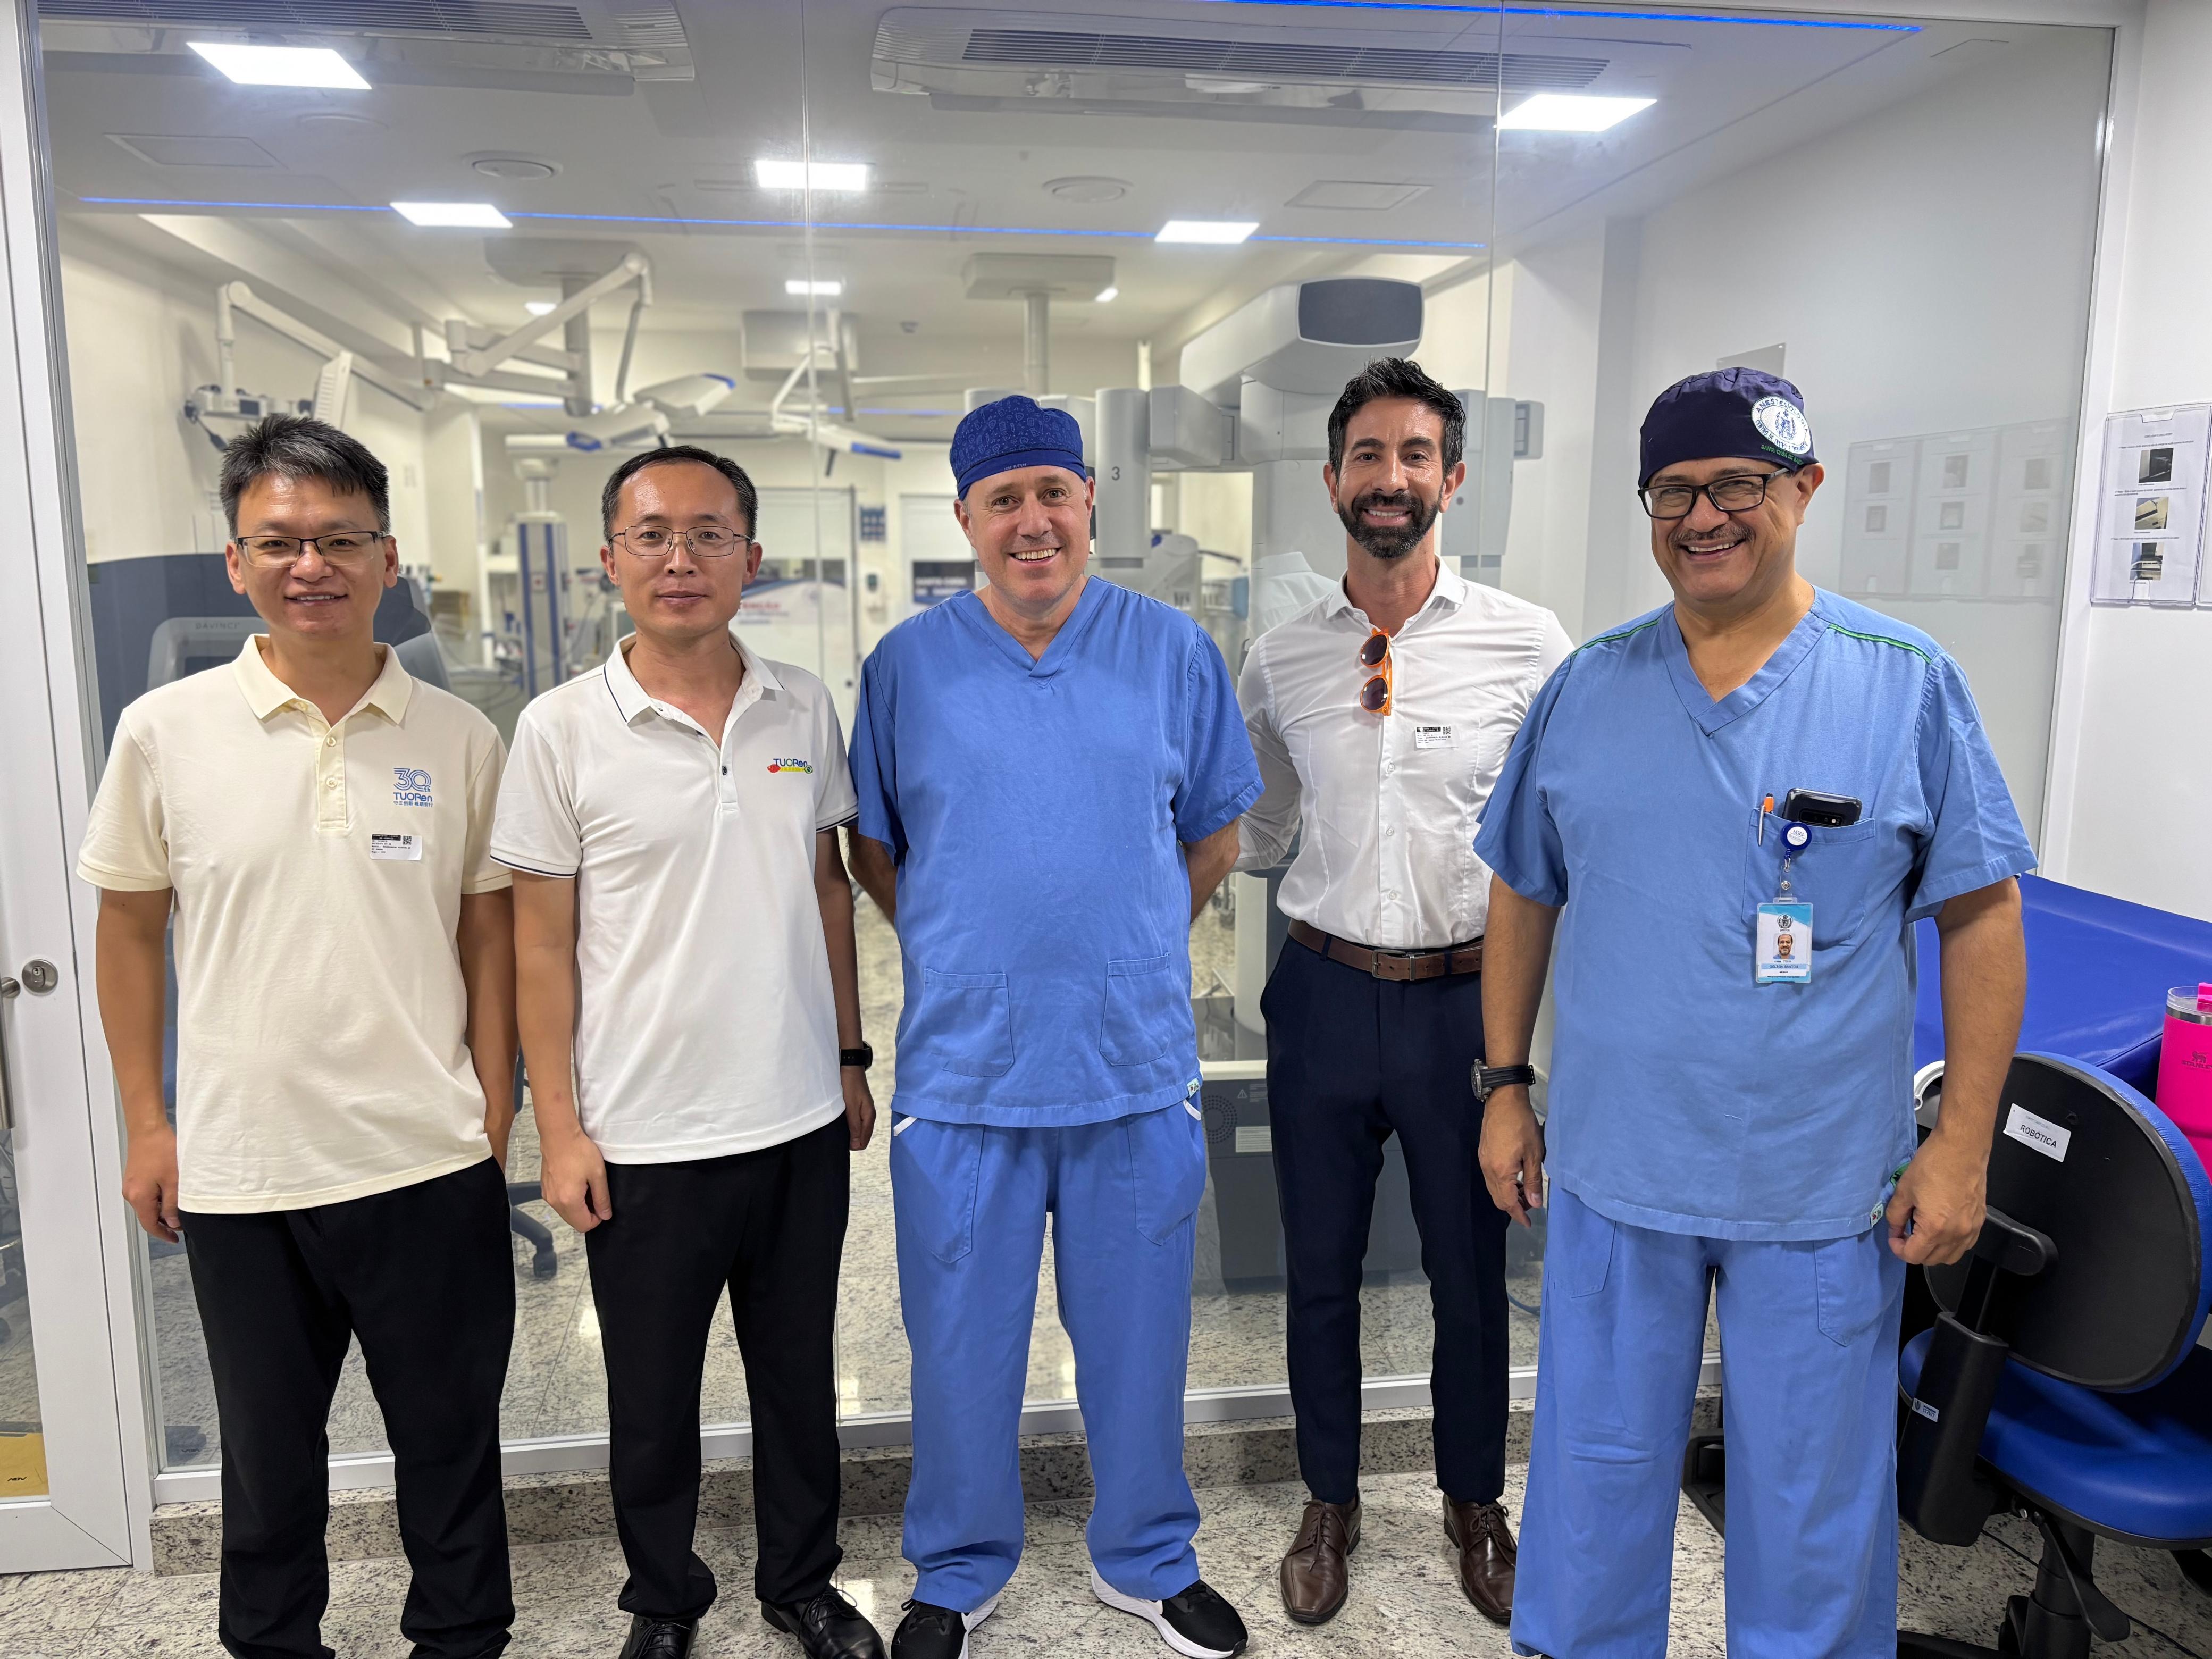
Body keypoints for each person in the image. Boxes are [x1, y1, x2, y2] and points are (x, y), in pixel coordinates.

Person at [1473, 368, 2032, 1658]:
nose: (1703, 516)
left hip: (1819, 1183)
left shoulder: (1902, 684)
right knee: (1594, 1478)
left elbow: (1982, 917)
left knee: (1811, 1499)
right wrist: (1503, 1086)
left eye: (1738, 484)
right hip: (1618, 1165)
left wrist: (1961, 1147)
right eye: (1673, 491)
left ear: (1803, 490)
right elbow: (1521, 889)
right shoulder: (1588, 687)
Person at [80, 414, 518, 1659]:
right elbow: (128, 934)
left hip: (426, 1155)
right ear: (237, 561)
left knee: (449, 1443)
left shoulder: (459, 738)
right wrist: (149, 1123)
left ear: (389, 559)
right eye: (278, 542)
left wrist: (497, 1107)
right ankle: (274, 1643)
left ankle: (462, 1639)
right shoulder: (164, 732)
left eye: (339, 539)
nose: (310, 565)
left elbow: (488, 939)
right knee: (268, 1458)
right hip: (245, 1167)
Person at [847, 396, 1261, 1659]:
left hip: (1129, 1070)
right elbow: (876, 849)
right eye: (1003, 500)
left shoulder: (1171, 651)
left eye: (1052, 493)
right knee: (958, 1350)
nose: (1032, 522)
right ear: (965, 518)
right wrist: (971, 943)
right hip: (966, 1078)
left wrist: (1120, 940)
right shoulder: (906, 667)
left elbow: (1215, 835)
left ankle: (1147, 1558)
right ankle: (957, 1568)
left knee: (1139, 1346)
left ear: (1089, 502)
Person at [495, 447, 882, 1659]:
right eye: (653, 534)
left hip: (795, 1119)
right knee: (651, 1398)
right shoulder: (561, 728)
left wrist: (850, 1056)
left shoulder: (801, 705)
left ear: (749, 559)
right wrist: (559, 1127)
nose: (681, 558)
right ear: (611, 559)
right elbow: (539, 946)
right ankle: (664, 1602)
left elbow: (827, 890)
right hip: (644, 1133)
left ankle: (802, 1582)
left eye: (709, 533)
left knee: (797, 1380)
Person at [1235, 358, 1571, 1628]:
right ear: (1333, 481)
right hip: (1321, 993)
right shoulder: (1279, 659)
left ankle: (1474, 1502)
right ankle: (1329, 1500)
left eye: (1414, 455)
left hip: (1462, 1007)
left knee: (1467, 1272)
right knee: (1316, 1267)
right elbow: (1263, 829)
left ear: (1453, 478)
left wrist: (1522, 1060)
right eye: (1368, 456)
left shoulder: (1528, 646)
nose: (1391, 478)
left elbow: (1553, 844)